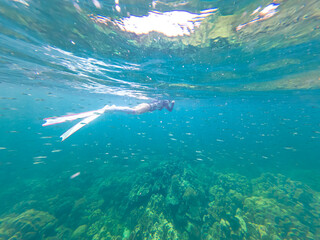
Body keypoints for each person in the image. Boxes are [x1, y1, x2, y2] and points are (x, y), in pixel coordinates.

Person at [42, 100, 175, 141]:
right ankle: (112, 108)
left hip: (147, 106)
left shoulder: (162, 103)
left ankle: (113, 108)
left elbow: (167, 109)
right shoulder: (164, 102)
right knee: (134, 111)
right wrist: (172, 104)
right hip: (147, 107)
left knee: (133, 110)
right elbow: (169, 109)